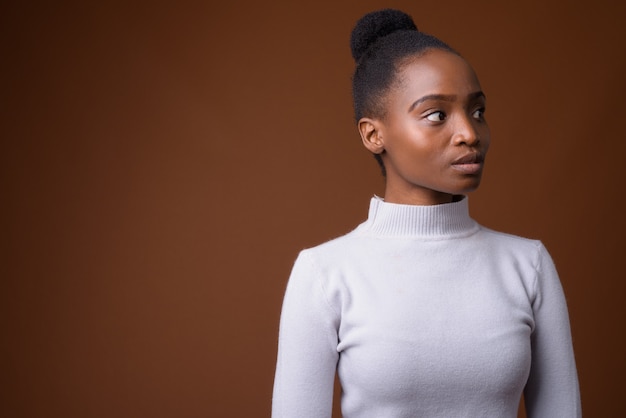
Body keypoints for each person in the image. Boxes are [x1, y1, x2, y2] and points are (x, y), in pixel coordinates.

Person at [272, 8, 581, 418]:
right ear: (373, 134)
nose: (469, 133)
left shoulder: (528, 266)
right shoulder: (324, 274)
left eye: (477, 111)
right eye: (437, 114)